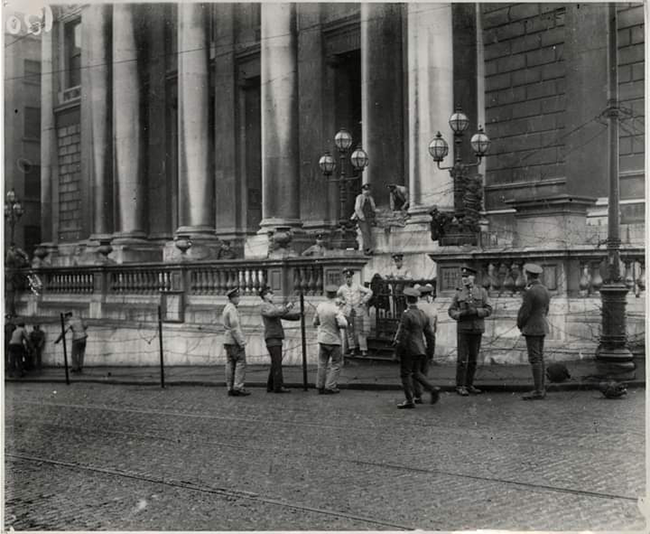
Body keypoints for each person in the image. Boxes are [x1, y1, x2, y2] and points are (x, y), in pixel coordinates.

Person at [448, 265, 492, 396]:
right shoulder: (458, 293)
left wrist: (477, 311)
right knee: (462, 359)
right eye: (463, 277)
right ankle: (460, 385)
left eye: (467, 276)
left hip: (477, 329)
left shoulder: (482, 292)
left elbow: (489, 309)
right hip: (463, 329)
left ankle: (469, 384)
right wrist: (460, 314)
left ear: (473, 277)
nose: (465, 279)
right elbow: (451, 310)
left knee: (473, 359)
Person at [394, 287, 440, 409]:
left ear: (406, 300)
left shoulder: (406, 315)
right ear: (416, 299)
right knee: (416, 373)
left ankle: (409, 400)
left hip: (408, 349)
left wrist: (397, 352)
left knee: (405, 374)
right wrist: (430, 351)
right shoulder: (422, 314)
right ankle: (432, 388)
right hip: (420, 348)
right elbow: (430, 335)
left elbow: (403, 335)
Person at [517, 263, 551, 400]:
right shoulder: (545, 290)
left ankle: (538, 391)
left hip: (532, 328)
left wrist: (520, 324)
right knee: (540, 358)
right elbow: (546, 310)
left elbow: (524, 312)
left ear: (528, 275)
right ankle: (541, 389)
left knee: (535, 359)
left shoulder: (530, 291)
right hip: (542, 326)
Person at [259, 287, 301, 393]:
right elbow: (275, 313)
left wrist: (297, 315)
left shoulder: (271, 306)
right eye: (270, 293)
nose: (272, 294)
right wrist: (288, 306)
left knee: (275, 362)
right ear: (265, 296)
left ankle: (271, 386)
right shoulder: (265, 306)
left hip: (275, 336)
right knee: (277, 362)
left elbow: (282, 314)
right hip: (272, 337)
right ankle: (278, 386)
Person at [313, 284, 348, 394]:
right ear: (335, 295)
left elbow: (315, 322)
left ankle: (320, 385)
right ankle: (330, 385)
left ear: (326, 294)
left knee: (322, 364)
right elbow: (344, 324)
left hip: (322, 339)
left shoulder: (320, 306)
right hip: (334, 340)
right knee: (336, 364)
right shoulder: (336, 308)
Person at [221, 287, 250, 396]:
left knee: (230, 363)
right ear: (232, 298)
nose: (239, 299)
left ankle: (230, 387)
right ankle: (238, 387)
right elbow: (235, 327)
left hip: (227, 340)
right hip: (234, 341)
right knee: (240, 363)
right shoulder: (232, 309)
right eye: (237, 297)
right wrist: (241, 342)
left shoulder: (226, 308)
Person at [337, 269, 373, 357]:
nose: (348, 279)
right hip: (348, 312)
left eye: (349, 277)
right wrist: (342, 302)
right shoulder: (342, 288)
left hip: (357, 311)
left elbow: (369, 292)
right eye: (346, 278)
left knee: (360, 331)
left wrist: (363, 301)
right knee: (350, 332)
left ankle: (363, 350)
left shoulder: (357, 286)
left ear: (352, 278)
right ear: (344, 279)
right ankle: (352, 348)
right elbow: (336, 297)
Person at [412, 284, 437, 404]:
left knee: (415, 370)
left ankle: (418, 395)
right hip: (428, 341)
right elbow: (434, 328)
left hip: (415, 342)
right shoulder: (432, 308)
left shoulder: (414, 308)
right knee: (424, 370)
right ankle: (424, 390)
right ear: (428, 296)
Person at [352, 183, 376, 255]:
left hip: (369, 217)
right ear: (362, 190)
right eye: (365, 190)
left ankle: (366, 248)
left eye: (368, 190)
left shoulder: (370, 198)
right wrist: (361, 217)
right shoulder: (360, 197)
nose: (367, 192)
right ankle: (368, 248)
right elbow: (357, 208)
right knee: (365, 232)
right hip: (362, 217)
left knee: (369, 232)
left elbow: (373, 208)